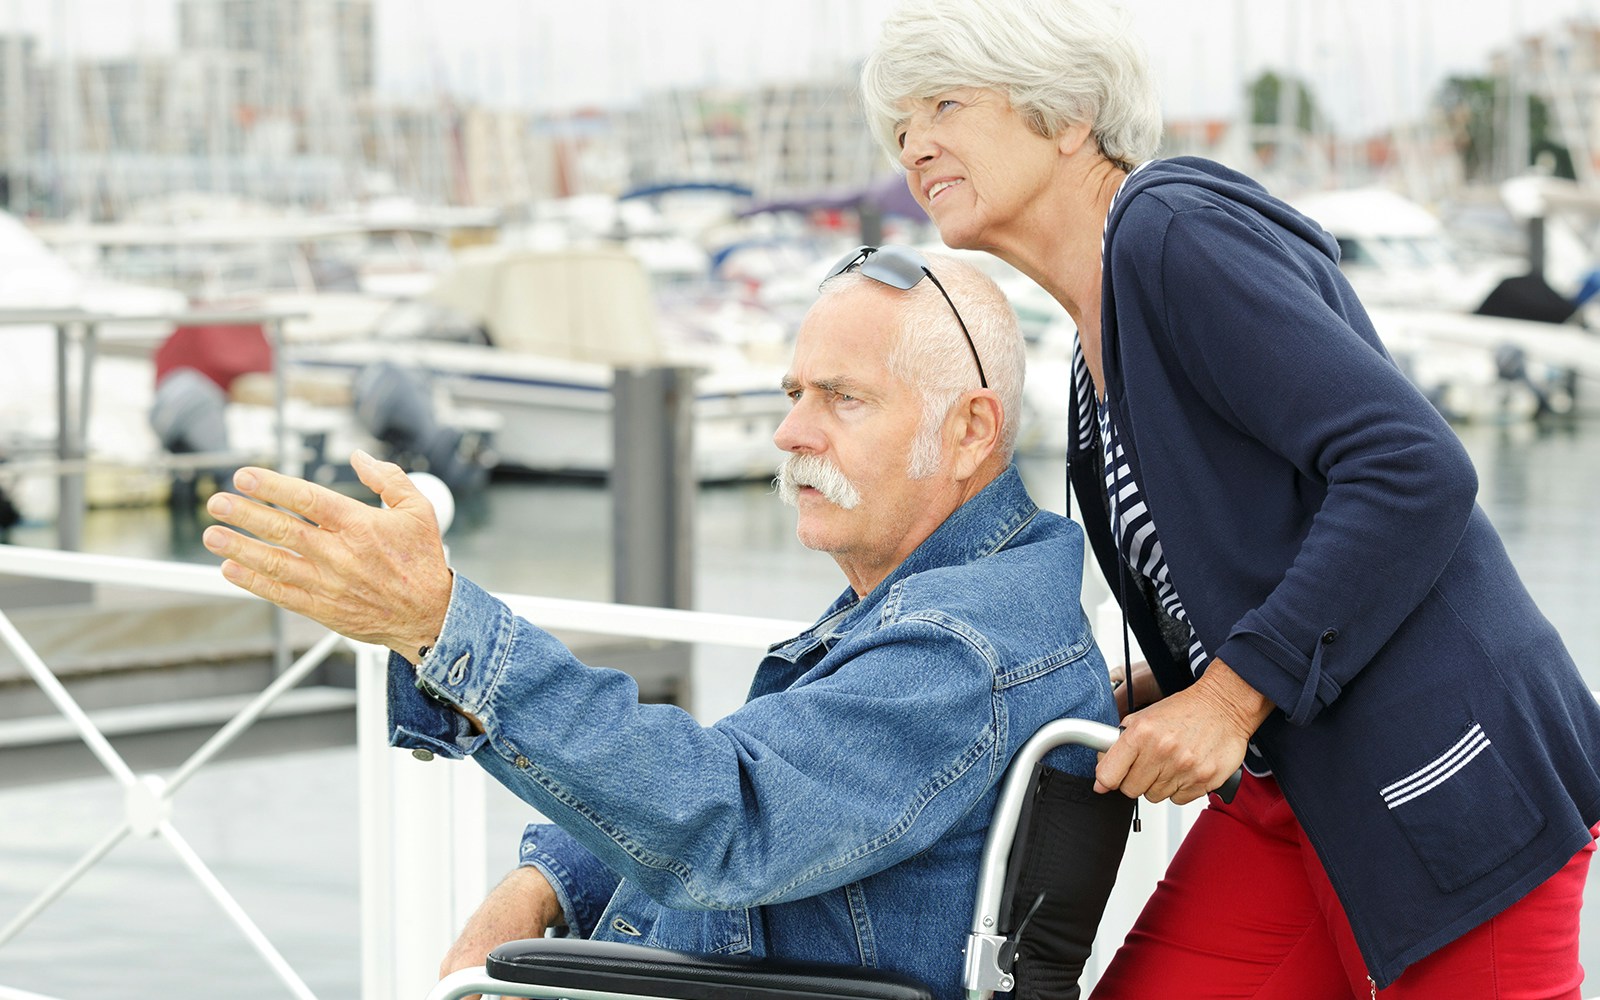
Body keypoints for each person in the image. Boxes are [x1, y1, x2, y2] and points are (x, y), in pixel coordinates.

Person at [859, 1, 1600, 997]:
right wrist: (1162, 690)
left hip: (1443, 771)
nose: (915, 143)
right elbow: (1257, 546)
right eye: (899, 125)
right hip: (1288, 780)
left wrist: (1226, 695)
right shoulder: (1094, 342)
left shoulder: (1171, 225)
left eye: (943, 102)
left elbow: (1411, 467)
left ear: (1070, 112)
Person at [200, 247, 1121, 1000]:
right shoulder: (967, 593)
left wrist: (442, 625)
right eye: (793, 392)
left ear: (969, 432)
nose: (791, 432)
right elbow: (766, 770)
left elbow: (733, 817)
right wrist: (550, 879)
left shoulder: (960, 648)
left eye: (842, 398)